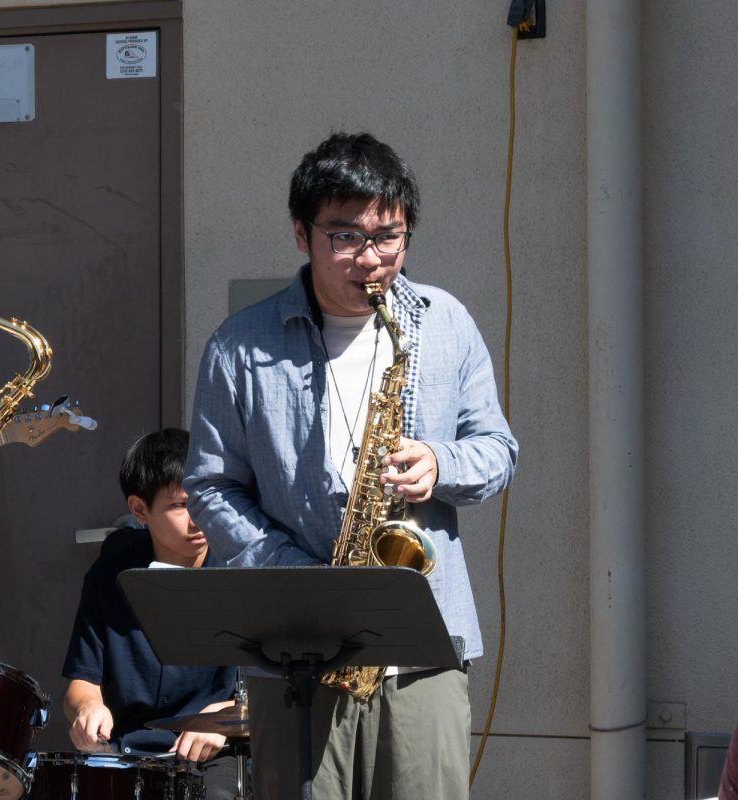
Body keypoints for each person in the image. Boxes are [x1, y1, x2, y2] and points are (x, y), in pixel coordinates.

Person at [184, 132, 518, 800]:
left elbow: (498, 450)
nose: (372, 259)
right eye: (346, 236)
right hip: (295, 652)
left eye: (389, 236)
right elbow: (211, 486)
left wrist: (439, 462)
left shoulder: (443, 321)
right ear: (301, 234)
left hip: (423, 648)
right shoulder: (239, 346)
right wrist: (298, 578)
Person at [61, 428, 240, 799]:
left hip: (219, 754)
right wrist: (89, 709)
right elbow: (81, 682)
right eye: (179, 505)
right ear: (139, 509)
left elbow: (269, 685)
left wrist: (223, 718)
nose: (198, 518)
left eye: (203, 500)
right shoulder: (112, 573)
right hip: (128, 751)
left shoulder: (241, 564)